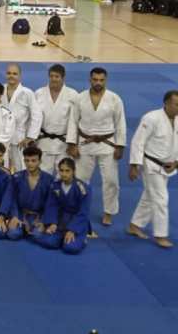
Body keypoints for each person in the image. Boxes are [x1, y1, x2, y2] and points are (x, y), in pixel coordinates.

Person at [67, 67, 126, 226]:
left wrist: (120, 145)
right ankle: (78, 208)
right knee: (80, 179)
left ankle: (108, 212)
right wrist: (72, 143)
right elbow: (73, 122)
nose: (98, 82)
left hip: (107, 144)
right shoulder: (80, 98)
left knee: (111, 180)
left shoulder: (114, 99)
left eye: (101, 80)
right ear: (90, 79)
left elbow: (120, 123)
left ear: (105, 80)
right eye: (95, 79)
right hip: (85, 143)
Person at [127, 90, 178, 248]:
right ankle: (160, 235)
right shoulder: (151, 118)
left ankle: (135, 225)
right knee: (161, 199)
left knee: (150, 196)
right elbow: (138, 142)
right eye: (176, 104)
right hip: (152, 165)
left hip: (169, 166)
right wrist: (134, 165)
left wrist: (176, 163)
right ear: (166, 103)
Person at [37, 158, 91, 254]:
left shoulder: (82, 188)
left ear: (73, 171)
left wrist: (72, 230)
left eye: (67, 171)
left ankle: (82, 239)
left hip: (76, 221)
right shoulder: (55, 185)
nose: (64, 174)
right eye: (61, 170)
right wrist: (52, 223)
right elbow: (51, 205)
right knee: (47, 242)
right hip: (60, 221)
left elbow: (84, 211)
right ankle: (61, 237)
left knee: (71, 248)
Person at [35, 64, 78, 174]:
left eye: (57, 76)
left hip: (64, 144)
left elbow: (75, 121)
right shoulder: (39, 93)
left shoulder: (72, 95)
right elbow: (34, 119)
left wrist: (73, 143)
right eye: (51, 76)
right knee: (43, 176)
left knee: (64, 176)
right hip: (43, 143)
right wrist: (32, 138)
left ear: (63, 78)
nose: (53, 79)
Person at [8, 145, 54, 242]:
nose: (30, 164)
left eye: (33, 161)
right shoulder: (16, 177)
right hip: (21, 214)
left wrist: (44, 221)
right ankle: (22, 228)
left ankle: (29, 229)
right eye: (27, 160)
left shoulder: (49, 180)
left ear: (40, 161)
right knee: (13, 234)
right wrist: (14, 216)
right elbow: (12, 199)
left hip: (39, 216)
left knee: (37, 236)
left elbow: (50, 204)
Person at [4, 64, 43, 171]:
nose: (11, 76)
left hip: (20, 139)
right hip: (2, 137)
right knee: (2, 169)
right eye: (9, 73)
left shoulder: (27, 93)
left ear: (20, 76)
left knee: (21, 169)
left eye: (14, 74)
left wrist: (30, 137)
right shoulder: (0, 90)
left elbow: (37, 115)